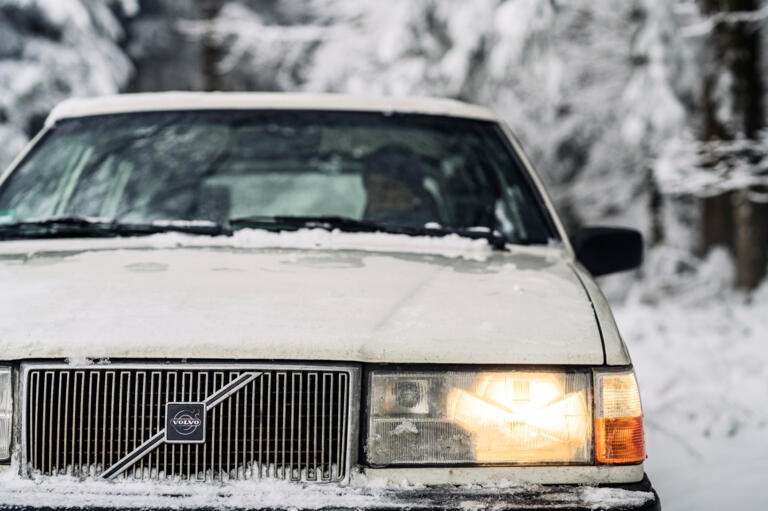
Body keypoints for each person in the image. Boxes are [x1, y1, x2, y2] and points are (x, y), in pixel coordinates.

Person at [361, 144, 439, 226]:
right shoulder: (356, 232)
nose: (377, 195)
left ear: (415, 195)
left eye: (389, 186)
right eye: (372, 186)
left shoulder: (432, 235)